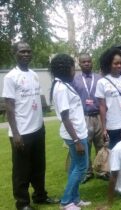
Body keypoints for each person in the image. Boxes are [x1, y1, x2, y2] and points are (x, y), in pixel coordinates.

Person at [2, 41, 58, 210]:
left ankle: (40, 196)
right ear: (15, 54)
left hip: (38, 129)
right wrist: (16, 133)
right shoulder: (11, 77)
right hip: (22, 133)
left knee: (39, 167)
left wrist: (41, 125)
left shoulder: (33, 74)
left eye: (28, 51)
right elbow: (9, 107)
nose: (26, 54)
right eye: (22, 51)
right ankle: (23, 203)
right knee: (21, 171)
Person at [50, 54, 90, 209]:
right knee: (81, 168)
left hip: (79, 133)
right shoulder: (60, 88)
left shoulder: (64, 85)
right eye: (73, 66)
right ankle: (66, 202)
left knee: (75, 167)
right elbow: (65, 118)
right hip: (75, 136)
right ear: (66, 68)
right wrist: (76, 141)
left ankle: (75, 198)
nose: (75, 69)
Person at [95, 47, 121, 149]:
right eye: (116, 63)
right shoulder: (102, 82)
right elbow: (102, 106)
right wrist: (104, 128)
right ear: (109, 64)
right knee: (114, 152)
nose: (119, 66)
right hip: (112, 124)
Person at [72, 53, 104, 183]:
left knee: (101, 144)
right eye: (83, 62)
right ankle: (87, 172)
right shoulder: (75, 80)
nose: (86, 64)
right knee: (86, 145)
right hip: (83, 117)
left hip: (99, 116)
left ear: (92, 62)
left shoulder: (100, 78)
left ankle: (101, 170)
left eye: (88, 61)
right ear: (79, 64)